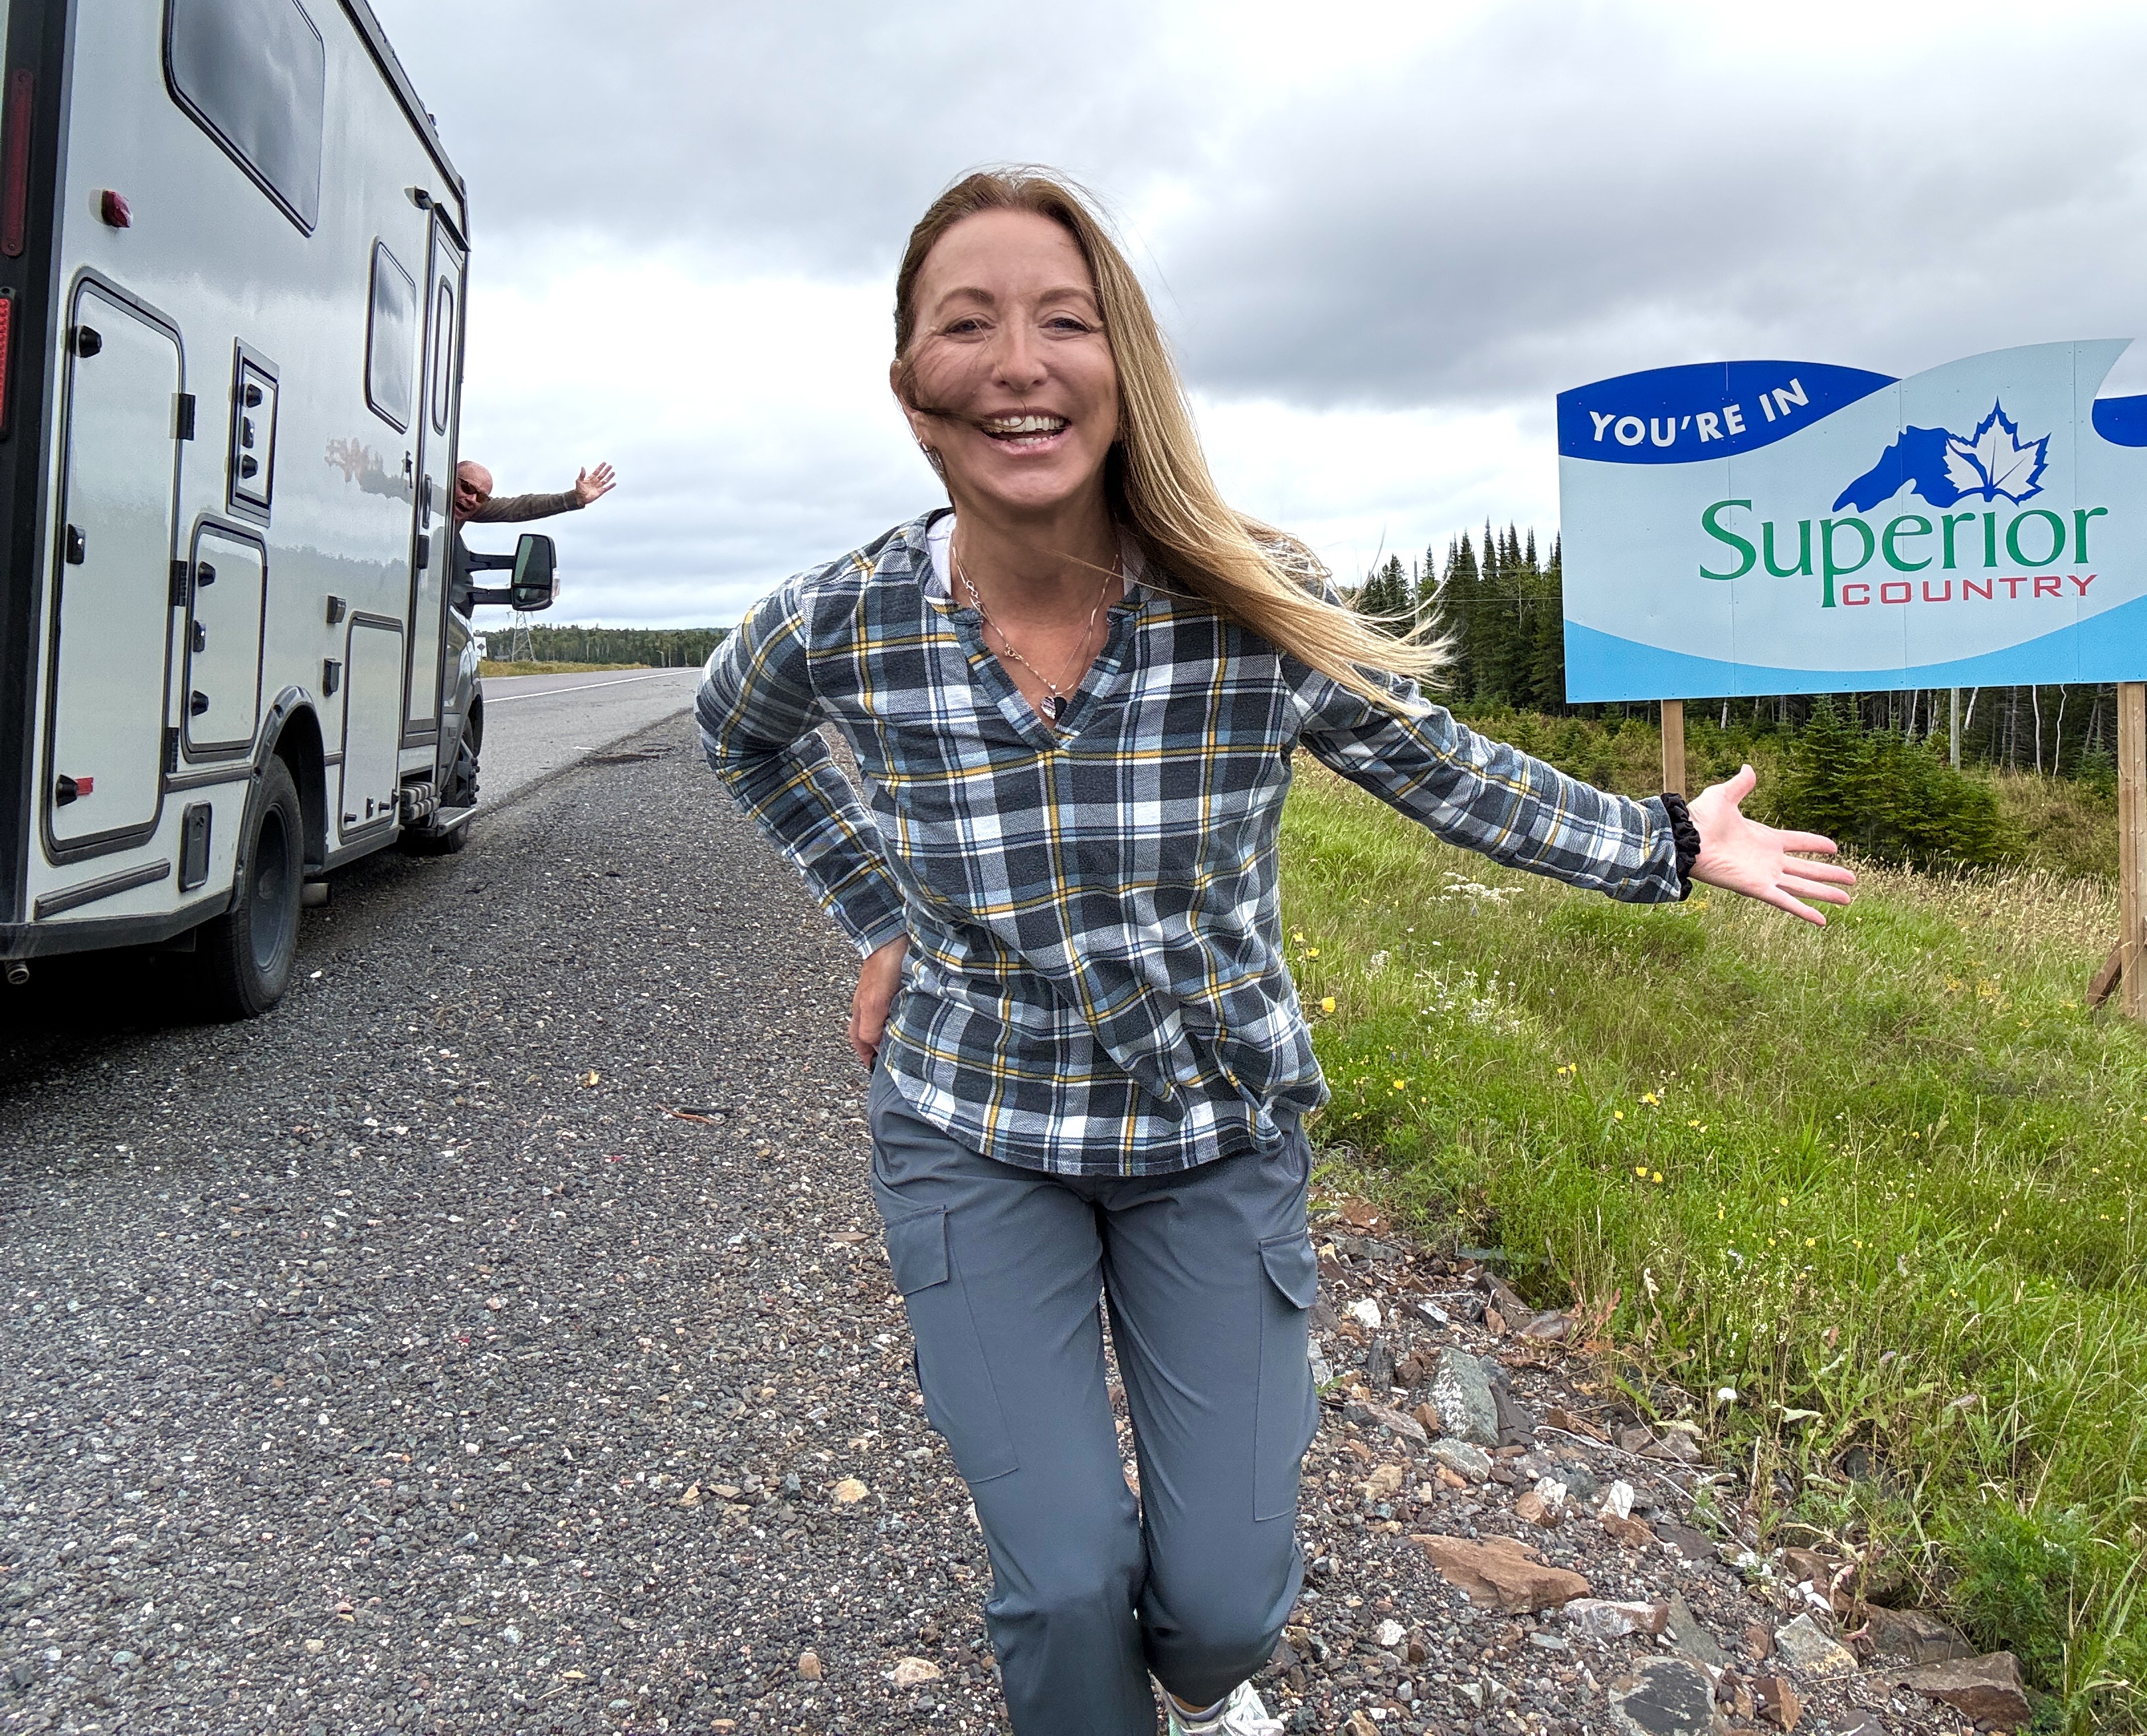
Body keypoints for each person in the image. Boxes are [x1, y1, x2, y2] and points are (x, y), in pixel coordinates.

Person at [696, 169, 1855, 1736]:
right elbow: (738, 735)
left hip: (1210, 1138)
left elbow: (1450, 770)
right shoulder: (844, 625)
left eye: (1066, 321)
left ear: (1127, 372)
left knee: (1223, 1609)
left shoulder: (1247, 607)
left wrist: (1666, 843)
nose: (1019, 363)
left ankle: (1205, 1691)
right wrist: (879, 913)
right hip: (973, 1136)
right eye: (966, 328)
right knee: (1058, 1583)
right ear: (914, 393)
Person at [454, 458, 616, 524]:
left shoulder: (473, 507)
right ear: (450, 479)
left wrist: (575, 498)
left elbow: (520, 507)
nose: (473, 499)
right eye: (468, 488)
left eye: (482, 497)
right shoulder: (430, 496)